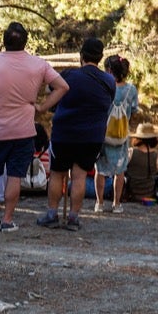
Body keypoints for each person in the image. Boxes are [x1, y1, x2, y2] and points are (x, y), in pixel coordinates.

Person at [0, 22, 68, 232]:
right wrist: (42, 107)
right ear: (26, 41)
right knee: (15, 176)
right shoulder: (39, 64)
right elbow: (62, 86)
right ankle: (7, 220)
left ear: (4, 41)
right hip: (24, 130)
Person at [36, 36, 114, 230]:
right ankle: (73, 218)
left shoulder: (69, 75)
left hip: (65, 132)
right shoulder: (109, 81)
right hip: (92, 136)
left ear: (81, 56)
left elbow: (49, 90)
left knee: (57, 174)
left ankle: (52, 214)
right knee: (79, 176)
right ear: (100, 57)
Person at [95, 55, 139, 213]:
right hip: (121, 135)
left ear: (108, 70)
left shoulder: (103, 87)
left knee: (100, 169)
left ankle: (99, 203)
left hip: (103, 133)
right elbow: (134, 110)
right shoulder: (131, 90)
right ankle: (117, 203)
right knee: (119, 171)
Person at [123, 124, 158, 203]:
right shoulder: (157, 156)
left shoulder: (130, 152)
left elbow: (122, 170)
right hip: (149, 195)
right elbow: (156, 171)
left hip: (131, 194)